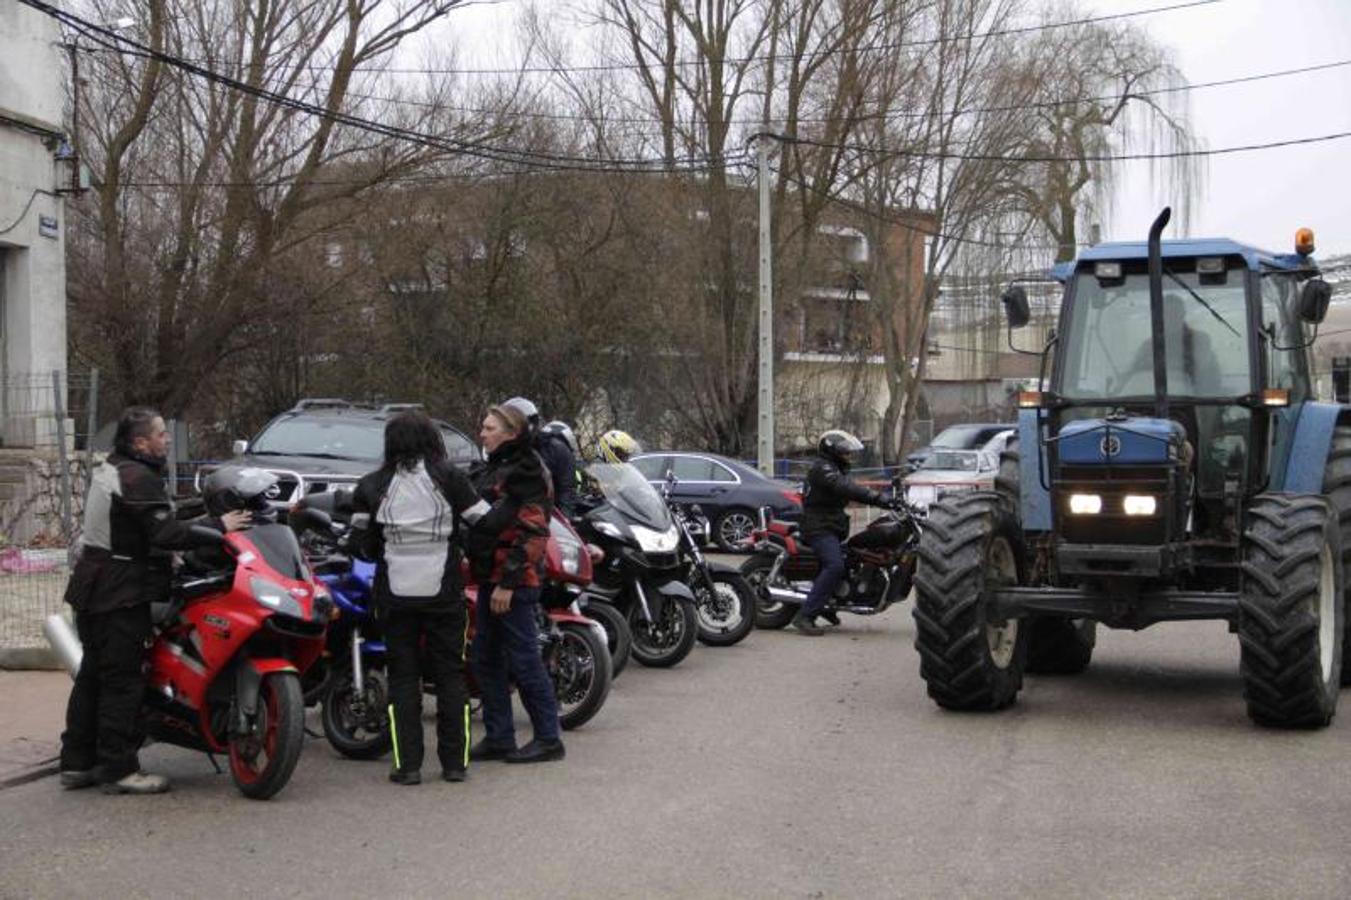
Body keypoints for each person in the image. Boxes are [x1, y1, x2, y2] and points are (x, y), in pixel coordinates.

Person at [59, 407, 251, 794]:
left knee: (93, 677)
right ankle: (118, 770)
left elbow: (146, 518)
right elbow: (164, 533)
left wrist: (191, 513)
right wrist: (219, 526)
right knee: (123, 681)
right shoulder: (138, 477)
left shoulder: (113, 467)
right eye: (161, 434)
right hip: (121, 592)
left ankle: (78, 763)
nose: (167, 440)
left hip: (94, 586)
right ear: (140, 442)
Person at [350, 411, 489, 786]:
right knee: (450, 676)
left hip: (394, 596)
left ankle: (407, 766)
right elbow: (484, 523)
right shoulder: (451, 478)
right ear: (432, 440)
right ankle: (455, 764)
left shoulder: (371, 485)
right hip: (444, 593)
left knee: (403, 679)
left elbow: (360, 547)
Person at [467, 402, 564, 764]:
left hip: (514, 581)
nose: (483, 433)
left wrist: (508, 582)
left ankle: (549, 739)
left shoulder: (527, 471)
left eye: (490, 428)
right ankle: (499, 737)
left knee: (524, 661)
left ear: (511, 433)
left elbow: (534, 531)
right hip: (490, 577)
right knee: (485, 658)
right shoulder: (496, 467)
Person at [794, 429, 890, 636]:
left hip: (831, 525)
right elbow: (846, 488)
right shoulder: (823, 469)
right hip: (818, 527)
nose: (849, 456)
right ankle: (805, 616)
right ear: (832, 450)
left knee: (851, 558)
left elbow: (846, 486)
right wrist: (878, 497)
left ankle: (829, 605)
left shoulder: (834, 468)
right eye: (846, 452)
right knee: (835, 566)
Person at [500, 397, 580, 517]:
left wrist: (565, 520)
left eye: (512, 426)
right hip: (508, 517)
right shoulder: (501, 450)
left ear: (529, 425)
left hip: (549, 519)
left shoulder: (556, 450)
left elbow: (567, 490)